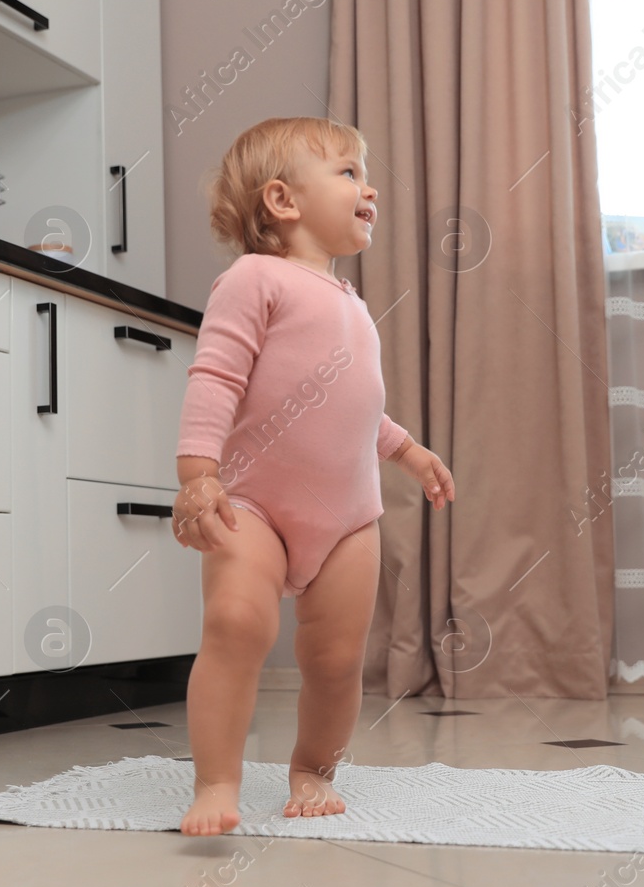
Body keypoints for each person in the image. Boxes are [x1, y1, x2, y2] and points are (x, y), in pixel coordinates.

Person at [172, 116, 456, 836]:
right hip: (254, 505)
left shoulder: (355, 305)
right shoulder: (253, 279)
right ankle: (216, 781)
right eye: (349, 173)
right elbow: (215, 377)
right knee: (236, 623)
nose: (370, 187)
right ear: (283, 201)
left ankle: (312, 771)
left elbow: (360, 409)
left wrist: (410, 451)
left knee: (334, 659)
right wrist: (199, 474)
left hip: (348, 517)